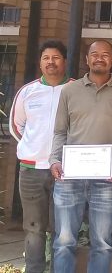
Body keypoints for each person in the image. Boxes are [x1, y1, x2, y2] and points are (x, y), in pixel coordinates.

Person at [49, 40, 112, 273]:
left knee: (103, 244)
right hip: (69, 176)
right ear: (87, 59)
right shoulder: (70, 90)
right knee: (64, 241)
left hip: (106, 177)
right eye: (94, 54)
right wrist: (55, 160)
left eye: (105, 55)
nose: (99, 58)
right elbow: (60, 131)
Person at [9, 40, 70, 273]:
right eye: (46, 58)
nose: (51, 62)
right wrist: (33, 146)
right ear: (40, 62)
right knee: (34, 228)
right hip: (31, 170)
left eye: (56, 57)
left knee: (62, 229)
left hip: (65, 171)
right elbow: (16, 126)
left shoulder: (75, 89)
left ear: (64, 61)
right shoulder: (27, 92)